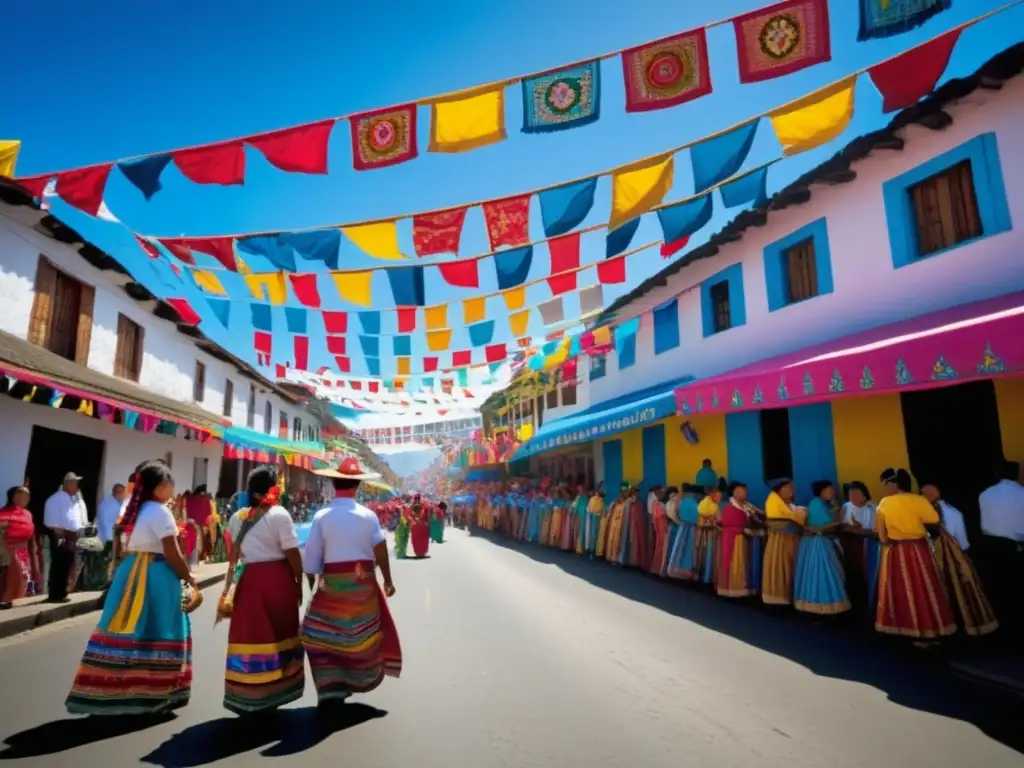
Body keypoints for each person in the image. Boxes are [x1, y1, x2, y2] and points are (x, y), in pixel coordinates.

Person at [66, 461, 197, 715]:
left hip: (131, 570)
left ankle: (112, 688)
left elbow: (124, 544)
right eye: (170, 483)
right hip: (156, 573)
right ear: (160, 486)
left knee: (126, 627)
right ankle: (153, 693)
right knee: (160, 628)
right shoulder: (160, 512)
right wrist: (188, 577)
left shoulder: (134, 509)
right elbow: (172, 552)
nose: (173, 488)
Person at [301, 457, 401, 704]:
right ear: (357, 486)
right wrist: (387, 580)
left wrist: (312, 583)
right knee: (358, 636)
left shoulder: (322, 517)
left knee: (319, 633)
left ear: (334, 485)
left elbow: (311, 560)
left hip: (331, 586)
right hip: (362, 585)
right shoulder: (368, 516)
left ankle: (332, 684)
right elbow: (380, 550)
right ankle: (353, 678)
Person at [220, 465, 305, 714]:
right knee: (279, 634)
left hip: (249, 580)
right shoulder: (279, 515)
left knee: (252, 635)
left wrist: (228, 587)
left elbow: (233, 556)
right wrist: (298, 581)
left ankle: (248, 691)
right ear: (264, 492)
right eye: (274, 487)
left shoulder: (237, 518)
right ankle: (276, 689)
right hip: (276, 580)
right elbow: (292, 553)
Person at [873, 468, 956, 641]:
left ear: (895, 485)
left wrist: (888, 540)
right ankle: (933, 627)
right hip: (919, 549)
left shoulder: (885, 503)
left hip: (896, 550)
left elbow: (880, 534)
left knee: (899, 590)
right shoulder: (919, 500)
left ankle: (903, 627)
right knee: (927, 587)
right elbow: (934, 520)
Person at [921, 481, 998, 637]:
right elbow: (963, 543)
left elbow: (961, 542)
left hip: (946, 562)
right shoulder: (952, 512)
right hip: (947, 561)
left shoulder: (949, 513)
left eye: (927, 494)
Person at [978, 461, 1024, 635]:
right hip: (1016, 549)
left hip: (991, 547)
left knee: (999, 589)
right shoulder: (1022, 494)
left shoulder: (985, 494)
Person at [793, 481, 850, 615]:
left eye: (832, 490)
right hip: (817, 544)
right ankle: (822, 606)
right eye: (829, 490)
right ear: (821, 492)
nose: (832, 492)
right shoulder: (816, 503)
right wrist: (837, 520)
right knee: (821, 575)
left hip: (825, 541)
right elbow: (821, 525)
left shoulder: (828, 504)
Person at [43, 472, 88, 603]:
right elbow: (50, 519)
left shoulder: (73, 499)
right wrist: (58, 531)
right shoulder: (55, 499)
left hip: (72, 535)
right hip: (61, 534)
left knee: (67, 564)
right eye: (74, 483)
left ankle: (62, 592)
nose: (77, 485)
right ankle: (55, 594)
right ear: (67, 484)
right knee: (59, 564)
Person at [762, 478, 807, 606]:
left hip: (793, 541)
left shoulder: (791, 505)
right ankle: (778, 599)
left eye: (792, 487)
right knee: (780, 567)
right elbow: (781, 520)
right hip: (779, 541)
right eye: (787, 487)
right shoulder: (774, 502)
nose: (791, 490)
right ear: (779, 490)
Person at [840, 481, 880, 618]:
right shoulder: (846, 507)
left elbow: (877, 531)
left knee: (869, 575)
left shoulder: (873, 508)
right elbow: (841, 526)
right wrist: (851, 529)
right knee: (853, 575)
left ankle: (870, 606)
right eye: (851, 494)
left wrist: (860, 530)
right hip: (852, 546)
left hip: (869, 545)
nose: (854, 497)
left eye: (857, 494)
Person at [717, 482, 755, 598]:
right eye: (740, 490)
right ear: (733, 492)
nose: (743, 493)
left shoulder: (747, 505)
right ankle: (731, 590)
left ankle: (743, 589)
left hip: (743, 537)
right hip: (732, 538)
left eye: (744, 490)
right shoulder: (728, 506)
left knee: (743, 563)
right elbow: (723, 521)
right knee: (733, 562)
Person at [0, 487, 35, 608]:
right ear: (14, 497)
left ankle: (16, 603)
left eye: (27, 495)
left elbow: (30, 534)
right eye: (22, 495)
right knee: (13, 578)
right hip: (8, 550)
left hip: (23, 551)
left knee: (24, 579)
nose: (26, 498)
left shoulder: (27, 514)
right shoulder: (4, 513)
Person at [666, 485, 701, 581]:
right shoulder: (694, 503)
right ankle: (687, 572)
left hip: (682, 527)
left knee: (679, 548)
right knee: (689, 550)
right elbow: (697, 519)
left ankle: (676, 569)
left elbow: (676, 514)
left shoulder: (682, 502)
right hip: (691, 529)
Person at [695, 481, 723, 584]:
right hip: (706, 534)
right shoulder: (706, 504)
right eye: (718, 496)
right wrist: (713, 522)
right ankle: (704, 576)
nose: (720, 498)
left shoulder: (713, 504)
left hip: (710, 533)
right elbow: (701, 521)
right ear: (713, 494)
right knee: (706, 554)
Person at [604, 484, 630, 565]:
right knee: (612, 540)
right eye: (623, 492)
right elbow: (609, 511)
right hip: (614, 525)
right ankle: (610, 557)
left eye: (626, 491)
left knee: (620, 541)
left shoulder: (628, 503)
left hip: (623, 526)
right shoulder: (615, 503)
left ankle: (618, 559)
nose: (624, 493)